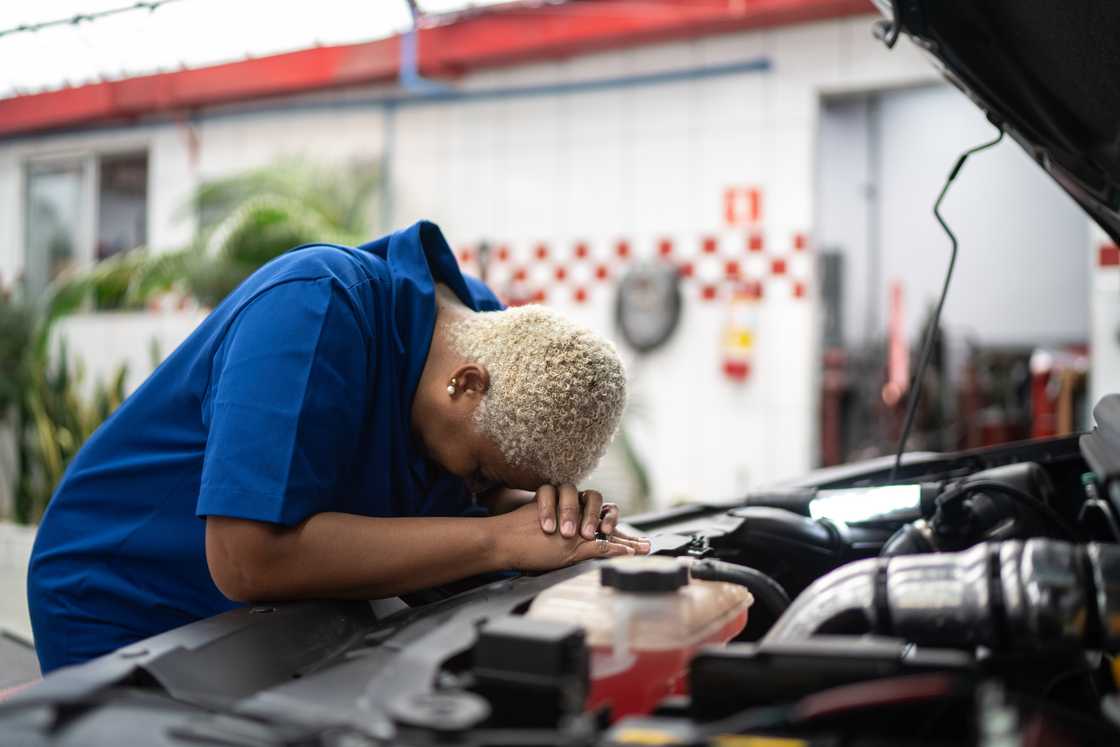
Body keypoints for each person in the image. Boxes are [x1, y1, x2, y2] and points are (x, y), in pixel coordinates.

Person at [27, 220, 647, 674]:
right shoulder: (310, 306)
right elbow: (247, 559)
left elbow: (482, 506)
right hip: (126, 598)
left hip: (272, 620)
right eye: (481, 471)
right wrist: (498, 539)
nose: (478, 493)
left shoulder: (479, 333)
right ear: (465, 385)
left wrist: (548, 518)